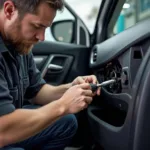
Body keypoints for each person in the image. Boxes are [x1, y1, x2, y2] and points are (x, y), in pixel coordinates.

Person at [0, 0, 101, 150]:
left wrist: (72, 88)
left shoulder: (19, 44)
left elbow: (37, 92)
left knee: (66, 122)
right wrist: (63, 105)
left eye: (45, 28)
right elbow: (3, 130)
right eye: (37, 26)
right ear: (9, 10)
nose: (41, 37)